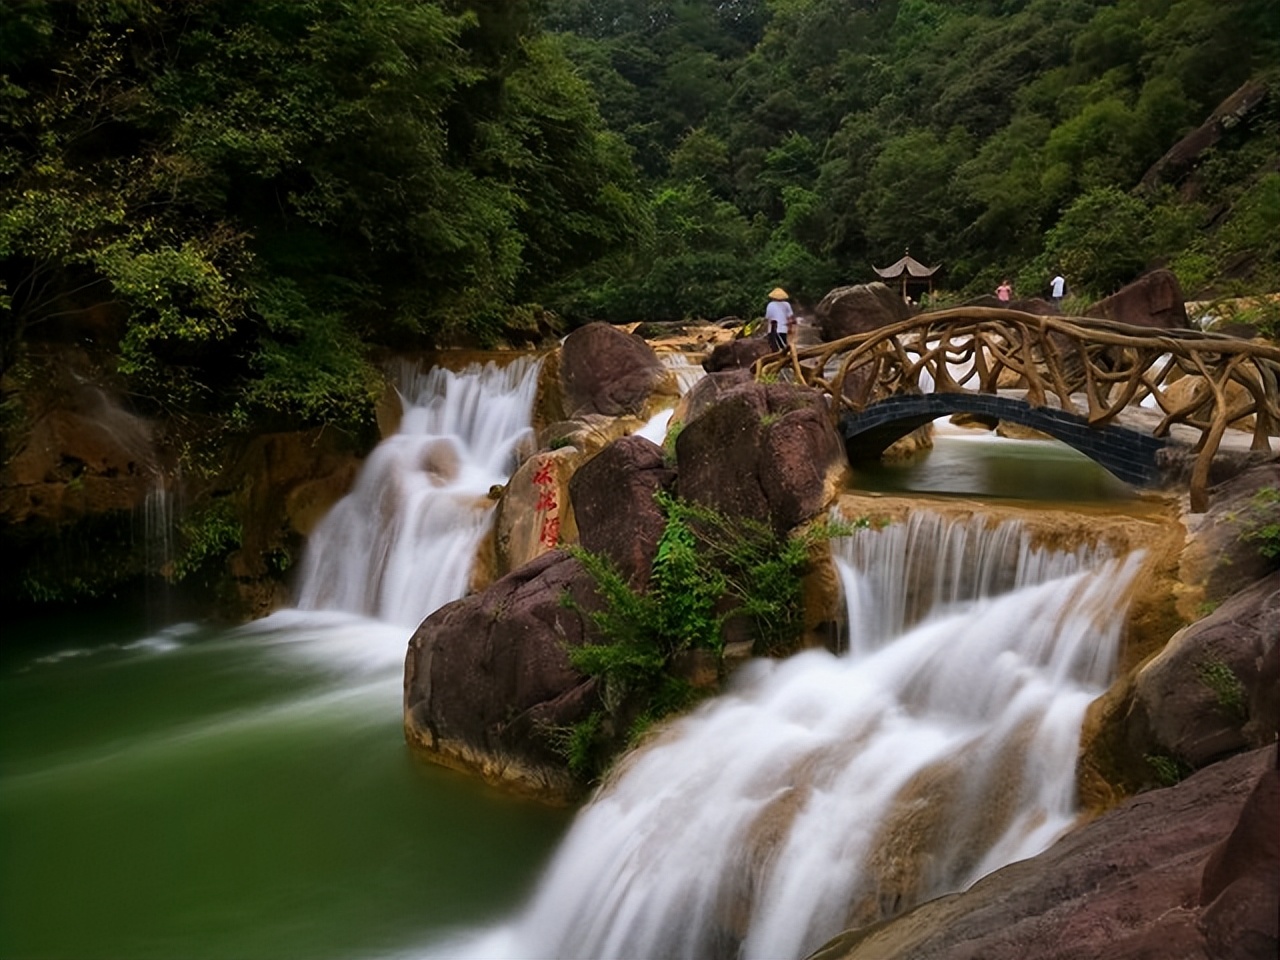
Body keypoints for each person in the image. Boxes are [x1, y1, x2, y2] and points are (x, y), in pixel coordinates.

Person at [765, 287, 793, 352]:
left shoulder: (770, 305)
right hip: (783, 329)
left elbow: (768, 318)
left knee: (773, 348)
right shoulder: (787, 304)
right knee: (783, 347)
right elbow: (790, 318)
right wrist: (790, 328)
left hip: (772, 331)